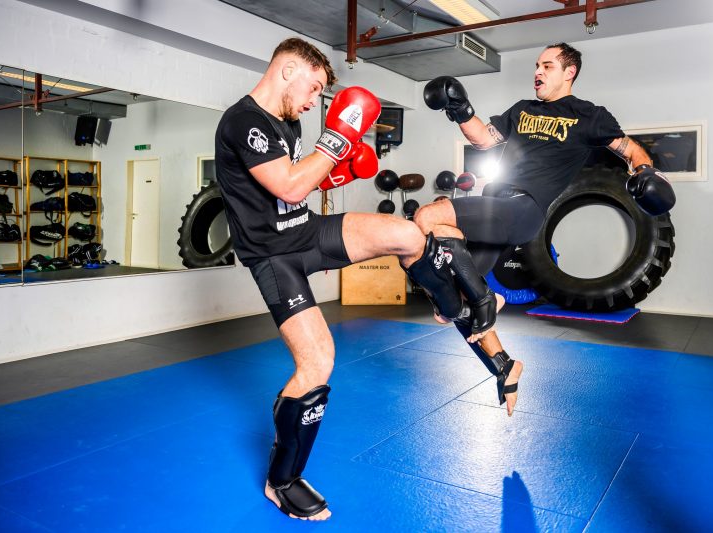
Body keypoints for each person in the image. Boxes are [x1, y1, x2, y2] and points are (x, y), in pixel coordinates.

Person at [214, 37, 512, 521]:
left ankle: (446, 303)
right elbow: (289, 183)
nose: (314, 102)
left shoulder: (286, 121)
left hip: (305, 231)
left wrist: (334, 173)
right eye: (313, 88)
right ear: (287, 70)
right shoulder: (242, 121)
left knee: (408, 235)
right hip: (272, 257)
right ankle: (283, 480)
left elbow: (292, 188)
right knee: (318, 364)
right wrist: (339, 139)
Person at [415, 42, 676, 416]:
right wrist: (460, 108)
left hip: (523, 208)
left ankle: (487, 300)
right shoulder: (522, 111)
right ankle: (504, 365)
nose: (538, 71)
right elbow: (483, 139)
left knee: (428, 216)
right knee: (458, 302)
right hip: (496, 200)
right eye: (537, 65)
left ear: (569, 72)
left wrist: (646, 171)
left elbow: (629, 148)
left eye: (547, 65)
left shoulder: (589, 116)